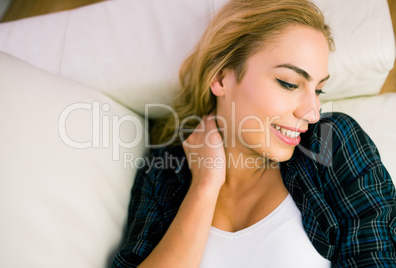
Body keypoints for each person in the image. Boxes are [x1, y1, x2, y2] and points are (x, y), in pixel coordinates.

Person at [112, 0, 396, 267]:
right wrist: (204, 185)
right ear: (221, 78)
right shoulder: (166, 167)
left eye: (318, 89)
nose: (312, 113)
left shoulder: (332, 142)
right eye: (289, 83)